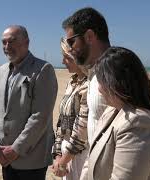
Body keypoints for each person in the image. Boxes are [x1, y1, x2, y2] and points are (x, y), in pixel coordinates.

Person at [86, 47, 150, 180]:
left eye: (101, 81)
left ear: (115, 82)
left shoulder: (139, 123)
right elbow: (90, 163)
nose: (99, 89)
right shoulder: (111, 111)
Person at [0, 25, 58, 180]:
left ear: (26, 43)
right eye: (4, 42)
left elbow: (40, 117)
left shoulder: (43, 70)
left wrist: (16, 149)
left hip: (31, 160)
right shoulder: (1, 70)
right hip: (4, 157)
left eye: (12, 41)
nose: (7, 47)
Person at [62, 7, 110, 144]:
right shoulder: (94, 73)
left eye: (71, 42)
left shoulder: (116, 72)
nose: (70, 49)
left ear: (89, 36)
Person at [51, 38, 89, 180]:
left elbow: (82, 131)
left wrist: (63, 160)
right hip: (67, 151)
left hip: (83, 154)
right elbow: (61, 122)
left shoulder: (89, 85)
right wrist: (57, 154)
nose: (63, 62)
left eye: (67, 57)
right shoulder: (72, 83)